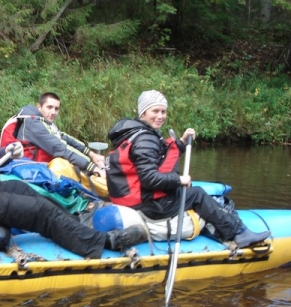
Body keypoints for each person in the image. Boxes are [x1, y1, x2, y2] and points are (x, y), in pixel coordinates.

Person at [0, 61, 146, 259]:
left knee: (35, 193)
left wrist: (3, 153)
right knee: (39, 210)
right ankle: (103, 243)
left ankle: (76, 229)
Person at [105, 90, 271, 248]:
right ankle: (238, 233)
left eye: (163, 111)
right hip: (149, 205)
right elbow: (149, 179)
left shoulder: (136, 134)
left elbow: (160, 159)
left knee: (191, 193)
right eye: (155, 111)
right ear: (143, 113)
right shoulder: (145, 139)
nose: (160, 116)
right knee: (197, 194)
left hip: (136, 200)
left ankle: (220, 227)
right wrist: (179, 180)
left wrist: (181, 143)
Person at [0, 92, 106, 177]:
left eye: (56, 108)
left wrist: (92, 155)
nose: (53, 112)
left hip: (37, 167)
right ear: (39, 107)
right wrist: (92, 167)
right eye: (49, 107)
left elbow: (65, 138)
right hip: (25, 169)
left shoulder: (42, 121)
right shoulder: (33, 124)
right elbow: (60, 149)